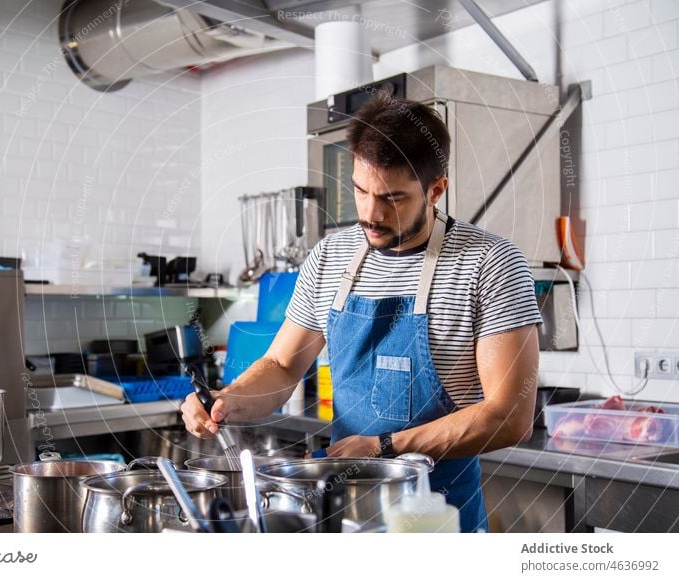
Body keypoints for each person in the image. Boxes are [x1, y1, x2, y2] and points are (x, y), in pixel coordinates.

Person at [181, 95, 541, 533]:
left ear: (436, 190)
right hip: (341, 518)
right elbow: (280, 365)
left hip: (441, 524)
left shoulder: (490, 263)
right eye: (360, 190)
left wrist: (383, 447)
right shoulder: (330, 256)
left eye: (392, 198)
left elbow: (510, 414)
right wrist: (227, 400)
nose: (371, 214)